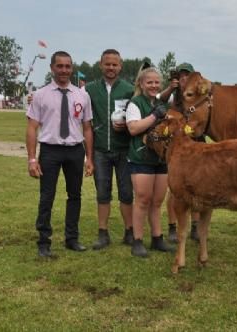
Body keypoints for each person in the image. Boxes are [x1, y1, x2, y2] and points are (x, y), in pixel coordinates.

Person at [26, 51, 94, 257]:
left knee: (75, 195)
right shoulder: (40, 95)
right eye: (60, 66)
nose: (64, 70)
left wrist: (89, 158)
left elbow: (88, 128)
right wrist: (31, 159)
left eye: (67, 66)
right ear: (52, 68)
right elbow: (31, 128)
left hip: (75, 150)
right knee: (47, 196)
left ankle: (71, 238)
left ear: (72, 68)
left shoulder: (82, 95)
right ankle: (44, 242)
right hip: (50, 150)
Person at [84, 49, 134, 250]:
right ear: (100, 65)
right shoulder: (89, 89)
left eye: (115, 64)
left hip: (124, 149)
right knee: (102, 192)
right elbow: (69, 99)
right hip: (100, 150)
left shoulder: (130, 90)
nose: (111, 67)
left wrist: (128, 126)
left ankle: (129, 232)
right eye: (107, 64)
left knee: (126, 192)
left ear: (120, 66)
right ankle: (103, 233)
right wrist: (33, 97)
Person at [126, 67, 173, 257]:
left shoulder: (163, 102)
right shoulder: (135, 103)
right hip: (141, 156)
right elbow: (133, 129)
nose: (153, 85)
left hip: (161, 157)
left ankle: (157, 238)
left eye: (156, 82)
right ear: (141, 84)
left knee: (157, 201)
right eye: (149, 82)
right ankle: (137, 240)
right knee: (143, 199)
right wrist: (155, 116)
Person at [156, 62, 200, 242]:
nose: (183, 80)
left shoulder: (198, 100)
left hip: (196, 148)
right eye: (180, 77)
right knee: (173, 190)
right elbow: (158, 100)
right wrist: (170, 87)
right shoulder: (172, 100)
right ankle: (173, 227)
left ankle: (196, 227)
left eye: (187, 77)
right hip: (175, 151)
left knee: (198, 189)